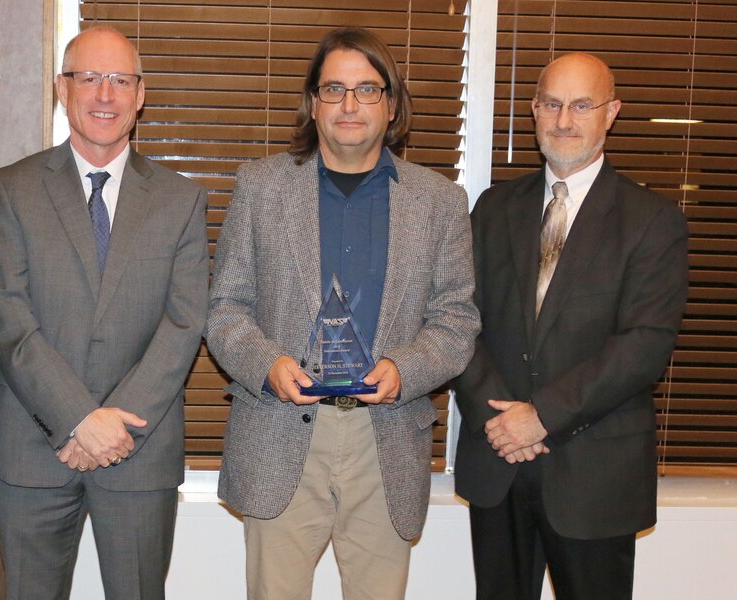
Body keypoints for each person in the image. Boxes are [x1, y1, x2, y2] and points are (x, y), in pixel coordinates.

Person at [206, 27, 480, 599]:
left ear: (392, 104)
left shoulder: (438, 200)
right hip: (279, 433)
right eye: (334, 89)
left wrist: (406, 369)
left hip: (386, 441)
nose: (350, 105)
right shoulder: (261, 186)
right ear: (313, 103)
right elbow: (227, 307)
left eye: (367, 90)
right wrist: (266, 364)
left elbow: (456, 321)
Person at [0, 25, 208, 600]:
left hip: (140, 449)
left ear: (140, 94)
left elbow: (183, 325)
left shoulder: (181, 199)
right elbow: (9, 318)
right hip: (34, 450)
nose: (104, 95)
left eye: (120, 80)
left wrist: (115, 422)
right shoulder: (13, 189)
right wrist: (79, 417)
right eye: (89, 78)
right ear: (63, 89)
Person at [454, 52, 689, 600]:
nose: (564, 120)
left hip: (595, 475)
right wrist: (502, 423)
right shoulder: (492, 208)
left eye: (582, 105)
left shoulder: (652, 221)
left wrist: (543, 418)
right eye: (553, 104)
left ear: (612, 113)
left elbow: (645, 345)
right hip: (498, 464)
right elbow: (459, 319)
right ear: (534, 110)